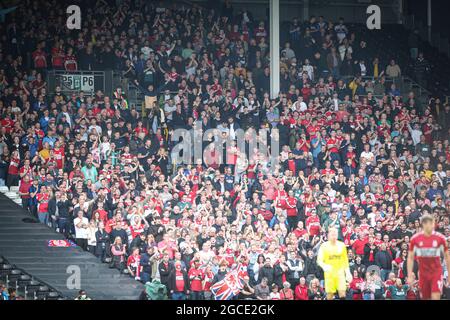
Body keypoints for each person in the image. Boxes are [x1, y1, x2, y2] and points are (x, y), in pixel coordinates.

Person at [407, 215, 450, 300]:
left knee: (435, 296)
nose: (428, 225)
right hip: (423, 273)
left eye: (430, 223)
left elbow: (447, 257)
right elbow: (410, 258)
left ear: (433, 224)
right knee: (425, 297)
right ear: (422, 224)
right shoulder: (415, 239)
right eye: (426, 223)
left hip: (436, 272)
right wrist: (409, 275)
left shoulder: (440, 238)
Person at [317, 227, 353, 300]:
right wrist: (324, 266)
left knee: (342, 293)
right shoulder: (324, 246)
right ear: (328, 235)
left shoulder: (342, 245)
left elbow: (345, 261)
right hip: (329, 274)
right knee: (330, 295)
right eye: (332, 234)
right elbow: (319, 260)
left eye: (335, 234)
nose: (334, 236)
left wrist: (348, 272)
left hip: (340, 273)